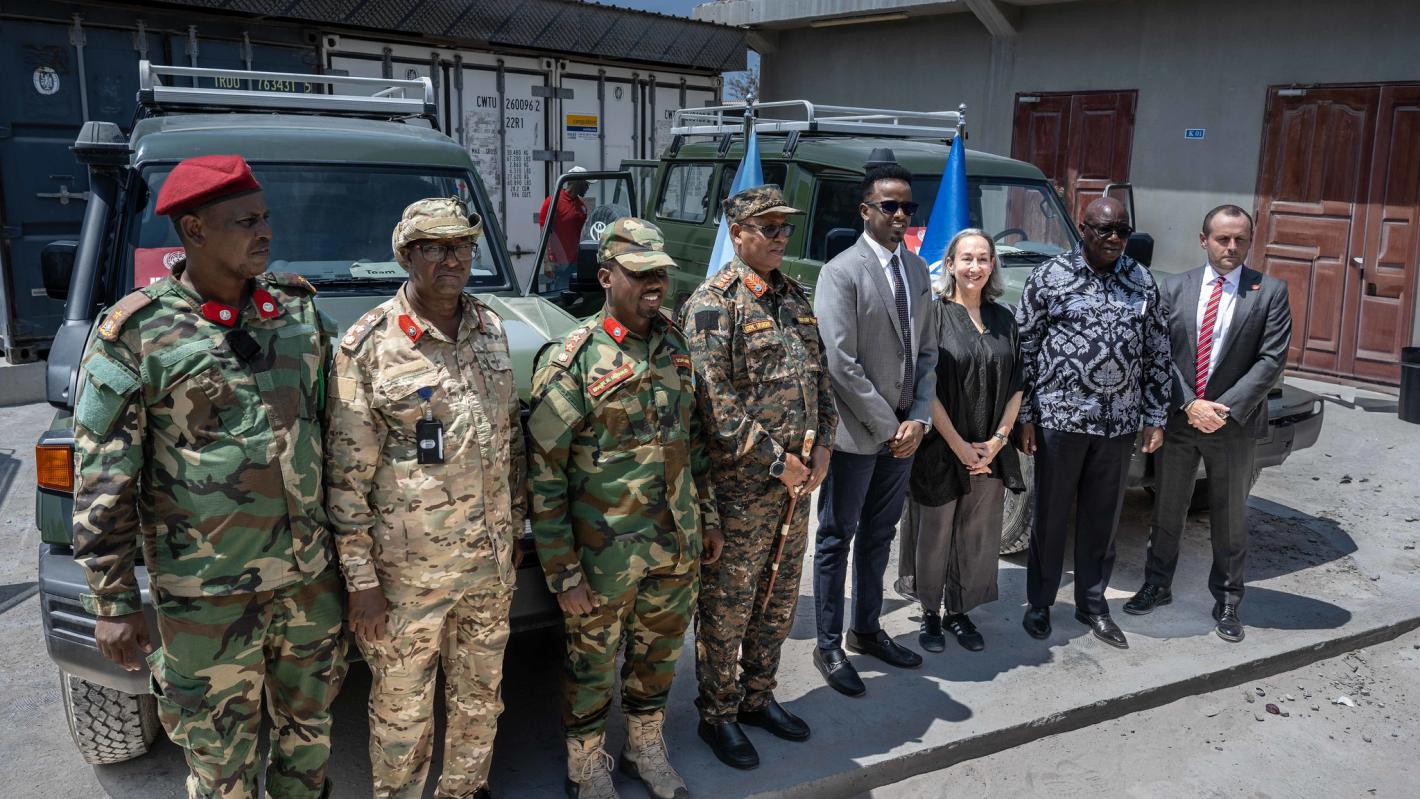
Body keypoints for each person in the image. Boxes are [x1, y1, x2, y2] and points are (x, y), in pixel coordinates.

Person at [71, 154, 346, 798]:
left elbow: (340, 436)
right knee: (220, 762)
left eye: (265, 218)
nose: (265, 232)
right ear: (194, 230)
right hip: (207, 597)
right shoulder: (136, 332)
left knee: (309, 745)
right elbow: (104, 477)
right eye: (246, 221)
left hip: (308, 582)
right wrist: (112, 602)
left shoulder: (297, 313)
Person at [324, 198, 523, 799]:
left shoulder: (490, 329)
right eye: (434, 248)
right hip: (407, 579)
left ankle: (464, 790)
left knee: (481, 700)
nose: (451, 260)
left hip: (488, 565)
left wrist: (512, 530)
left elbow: (508, 441)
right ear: (406, 256)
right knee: (402, 715)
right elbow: (346, 481)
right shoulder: (369, 345)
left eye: (462, 246)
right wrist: (361, 583)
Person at [527, 218, 724, 799]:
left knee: (659, 654)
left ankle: (644, 748)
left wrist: (708, 518)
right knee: (591, 663)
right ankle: (586, 764)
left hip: (675, 544)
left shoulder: (676, 345)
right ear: (606, 276)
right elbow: (544, 475)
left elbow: (695, 442)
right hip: (602, 556)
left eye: (659, 272)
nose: (654, 283)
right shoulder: (573, 359)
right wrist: (562, 571)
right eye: (639, 273)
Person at [679, 186, 836, 769]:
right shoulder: (713, 304)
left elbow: (819, 377)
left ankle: (758, 696)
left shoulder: (794, 295)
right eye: (767, 227)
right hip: (742, 489)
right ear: (737, 232)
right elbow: (713, 403)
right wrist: (777, 460)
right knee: (729, 603)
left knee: (778, 598)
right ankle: (718, 713)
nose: (779, 237)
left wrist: (825, 444)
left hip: (797, 484)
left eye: (784, 228)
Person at [1124, 205, 1292, 642]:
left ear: (1249, 242)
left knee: (1229, 516)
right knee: (1167, 508)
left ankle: (1229, 599)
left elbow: (1271, 360)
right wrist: (1189, 404)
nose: (1231, 247)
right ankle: (1157, 584)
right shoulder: (1174, 287)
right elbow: (1157, 351)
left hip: (1233, 426)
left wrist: (1222, 409)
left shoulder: (1270, 292)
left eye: (1240, 239)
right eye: (1222, 238)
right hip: (1181, 420)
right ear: (1204, 241)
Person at [1015, 196, 1171, 650]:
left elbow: (1157, 350)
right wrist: (1024, 415)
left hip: (1117, 423)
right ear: (1083, 230)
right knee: (1050, 516)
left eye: (1123, 230)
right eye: (1106, 230)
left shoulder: (1141, 280)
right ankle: (1040, 602)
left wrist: (1155, 415)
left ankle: (1092, 603)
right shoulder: (1050, 276)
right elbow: (1025, 347)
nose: (1116, 238)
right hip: (1059, 419)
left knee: (1103, 519)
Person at [812, 163, 939, 696]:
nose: (901, 214)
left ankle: (866, 629)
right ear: (866, 211)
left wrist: (920, 418)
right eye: (890, 206)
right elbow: (839, 363)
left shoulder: (917, 270)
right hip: (858, 435)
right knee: (836, 537)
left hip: (904, 435)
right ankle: (828, 644)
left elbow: (928, 352)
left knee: (879, 536)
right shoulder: (841, 272)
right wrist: (890, 427)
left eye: (908, 206)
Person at [901, 229, 1025, 654]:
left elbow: (1018, 384)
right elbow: (925, 385)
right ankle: (930, 612)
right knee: (935, 532)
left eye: (984, 258)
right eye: (967, 258)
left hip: (990, 450)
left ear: (993, 266)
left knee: (976, 533)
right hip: (941, 447)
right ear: (950, 264)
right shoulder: (932, 315)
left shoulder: (1005, 318)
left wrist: (998, 441)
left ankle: (959, 611)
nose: (976, 267)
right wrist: (958, 445)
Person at [539, 166, 591, 292]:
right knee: (561, 296)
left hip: (577, 263)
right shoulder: (553, 202)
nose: (588, 188)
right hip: (560, 264)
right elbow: (544, 234)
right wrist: (547, 262)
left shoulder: (582, 205)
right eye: (586, 184)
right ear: (578, 182)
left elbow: (584, 234)